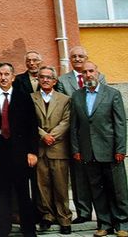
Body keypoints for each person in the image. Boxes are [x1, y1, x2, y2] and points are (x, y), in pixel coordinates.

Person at [0, 62, 38, 237]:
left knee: (23, 193)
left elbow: (32, 126)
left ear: (12, 77)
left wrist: (32, 151)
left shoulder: (24, 97)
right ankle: (2, 229)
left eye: (6, 74)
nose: (3, 78)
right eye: (0, 74)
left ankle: (28, 229)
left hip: (20, 153)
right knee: (1, 193)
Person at [70, 61, 128, 237]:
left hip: (110, 151)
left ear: (97, 73)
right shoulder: (77, 96)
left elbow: (120, 124)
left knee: (118, 190)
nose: (88, 75)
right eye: (85, 72)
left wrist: (120, 149)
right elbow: (74, 126)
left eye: (91, 71)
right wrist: (76, 149)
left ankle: (122, 224)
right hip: (88, 151)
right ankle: (104, 223)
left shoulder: (112, 94)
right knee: (97, 189)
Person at [55, 45, 106, 224]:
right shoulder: (63, 80)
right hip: (75, 134)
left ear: (86, 57)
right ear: (70, 60)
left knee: (99, 176)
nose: (77, 59)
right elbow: (64, 106)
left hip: (97, 136)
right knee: (79, 177)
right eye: (74, 56)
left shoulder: (100, 76)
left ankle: (103, 213)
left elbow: (103, 102)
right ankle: (83, 212)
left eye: (80, 56)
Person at [31, 66, 72, 234]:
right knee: (42, 185)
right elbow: (29, 121)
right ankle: (47, 216)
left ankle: (64, 218)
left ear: (55, 81)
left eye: (49, 77)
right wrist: (43, 135)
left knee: (61, 185)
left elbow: (66, 121)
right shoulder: (31, 98)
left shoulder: (64, 99)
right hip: (40, 148)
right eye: (42, 77)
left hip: (58, 147)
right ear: (38, 80)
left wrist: (52, 136)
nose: (45, 80)